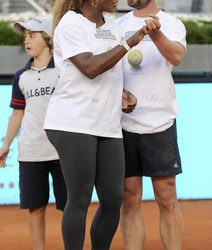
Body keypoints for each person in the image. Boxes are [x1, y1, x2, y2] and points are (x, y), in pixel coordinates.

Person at [43, 1, 160, 250]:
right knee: (80, 197)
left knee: (113, 198)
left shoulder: (112, 27)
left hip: (107, 123)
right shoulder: (71, 23)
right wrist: (129, 43)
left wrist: (122, 93)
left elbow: (109, 70)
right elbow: (90, 67)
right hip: (73, 122)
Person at [116, 1, 187, 249]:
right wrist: (119, 94)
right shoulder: (118, 25)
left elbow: (177, 57)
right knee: (129, 198)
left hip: (160, 122)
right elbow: (109, 68)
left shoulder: (172, 24)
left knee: (166, 197)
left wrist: (156, 34)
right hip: (123, 125)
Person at [0, 16, 67, 250]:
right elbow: (17, 114)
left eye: (33, 35)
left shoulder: (64, 70)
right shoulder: (21, 76)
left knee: (69, 208)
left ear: (47, 39)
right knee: (35, 208)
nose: (26, 41)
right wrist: (6, 144)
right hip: (30, 153)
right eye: (25, 36)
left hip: (63, 153)